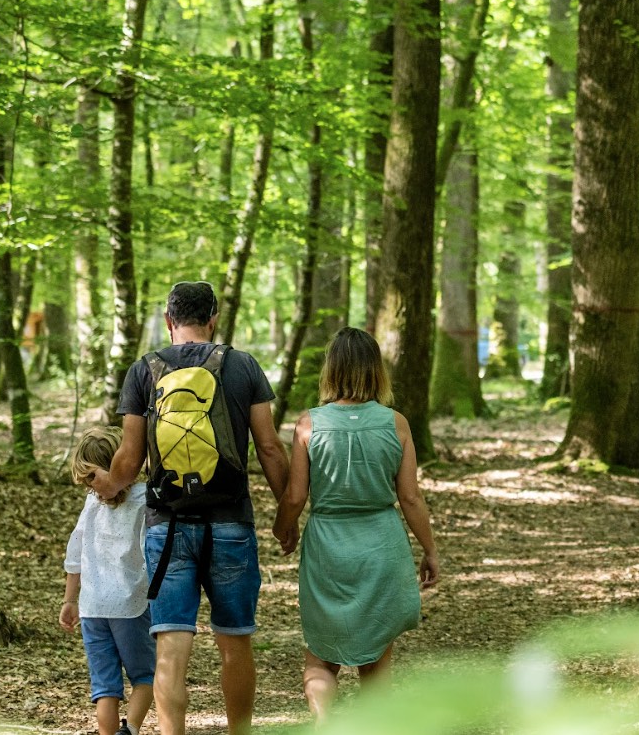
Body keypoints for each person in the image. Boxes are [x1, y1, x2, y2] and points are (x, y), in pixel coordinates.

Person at [88, 280, 290, 735]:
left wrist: (107, 486)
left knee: (170, 648)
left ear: (168, 320)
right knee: (235, 645)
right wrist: (287, 513)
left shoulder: (144, 370)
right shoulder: (243, 366)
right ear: (213, 318)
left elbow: (129, 458)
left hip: (167, 526)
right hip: (232, 523)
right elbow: (271, 449)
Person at [273, 326, 441, 721]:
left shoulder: (308, 424)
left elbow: (296, 496)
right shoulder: (395, 423)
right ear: (376, 371)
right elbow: (411, 497)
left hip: (328, 545)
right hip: (381, 543)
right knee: (377, 661)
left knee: (321, 658)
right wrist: (430, 549)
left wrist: (284, 528)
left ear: (331, 370)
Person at [62, 426, 155, 735]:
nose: (92, 487)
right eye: (86, 481)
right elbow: (150, 553)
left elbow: (75, 554)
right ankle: (131, 730)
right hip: (127, 605)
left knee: (108, 684)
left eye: (93, 476)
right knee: (144, 677)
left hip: (98, 606)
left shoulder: (132, 501)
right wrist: (70, 600)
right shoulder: (142, 500)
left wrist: (71, 599)